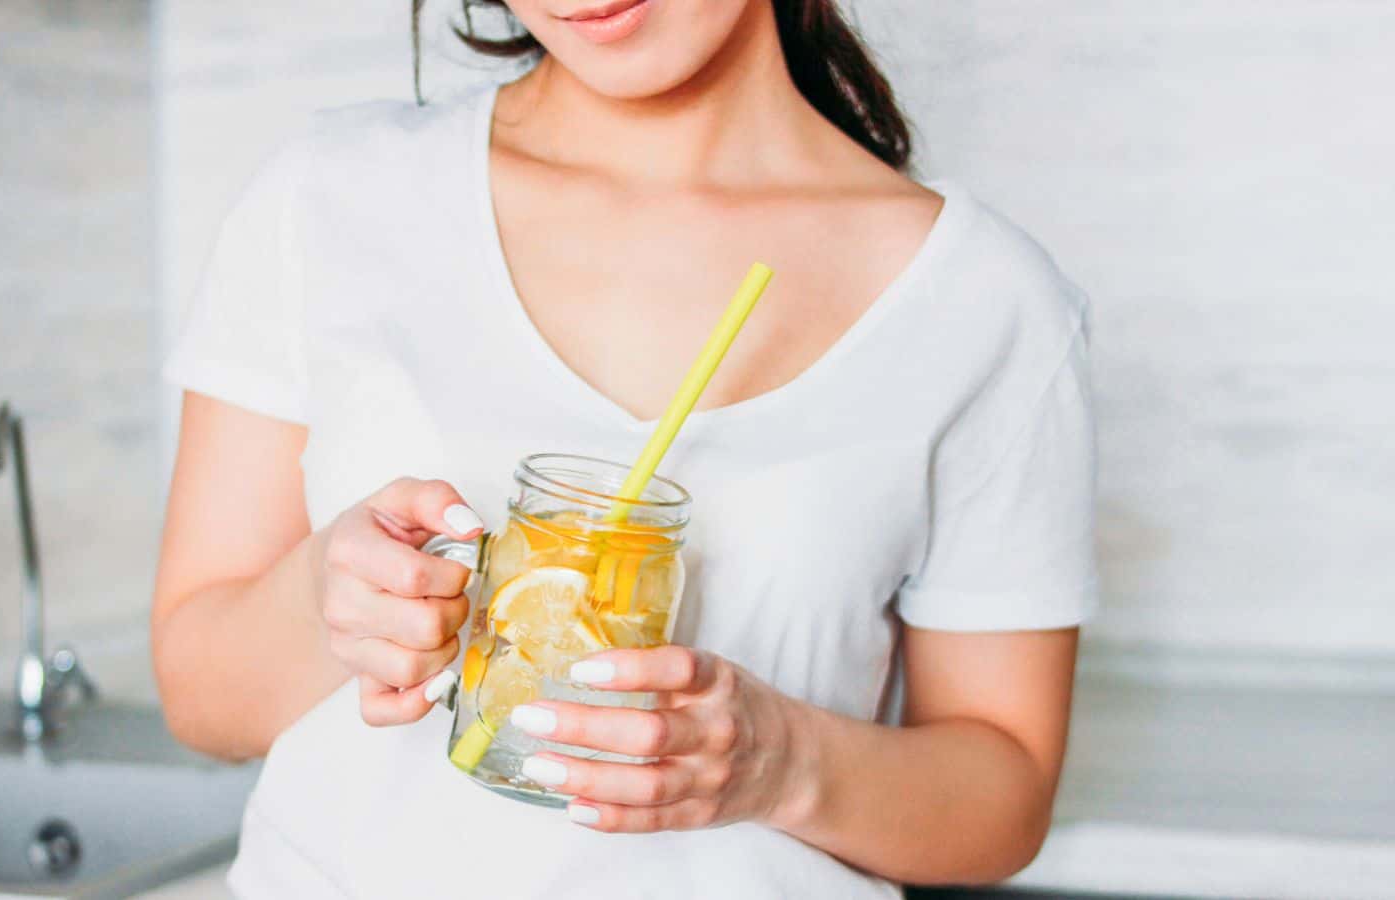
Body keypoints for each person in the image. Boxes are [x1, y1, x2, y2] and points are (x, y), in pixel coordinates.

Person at [153, 1, 1096, 896]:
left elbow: (1004, 801)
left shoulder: (983, 301)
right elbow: (200, 694)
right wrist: (330, 594)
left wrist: (782, 762)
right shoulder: (332, 194)